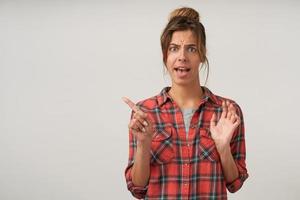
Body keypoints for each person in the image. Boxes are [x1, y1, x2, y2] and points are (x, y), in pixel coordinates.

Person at [123, 7, 248, 200]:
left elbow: (235, 183)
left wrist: (223, 149)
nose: (182, 56)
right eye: (174, 48)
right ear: (165, 56)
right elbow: (137, 188)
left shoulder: (227, 112)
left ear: (202, 55)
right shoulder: (145, 112)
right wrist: (143, 144)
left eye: (191, 48)